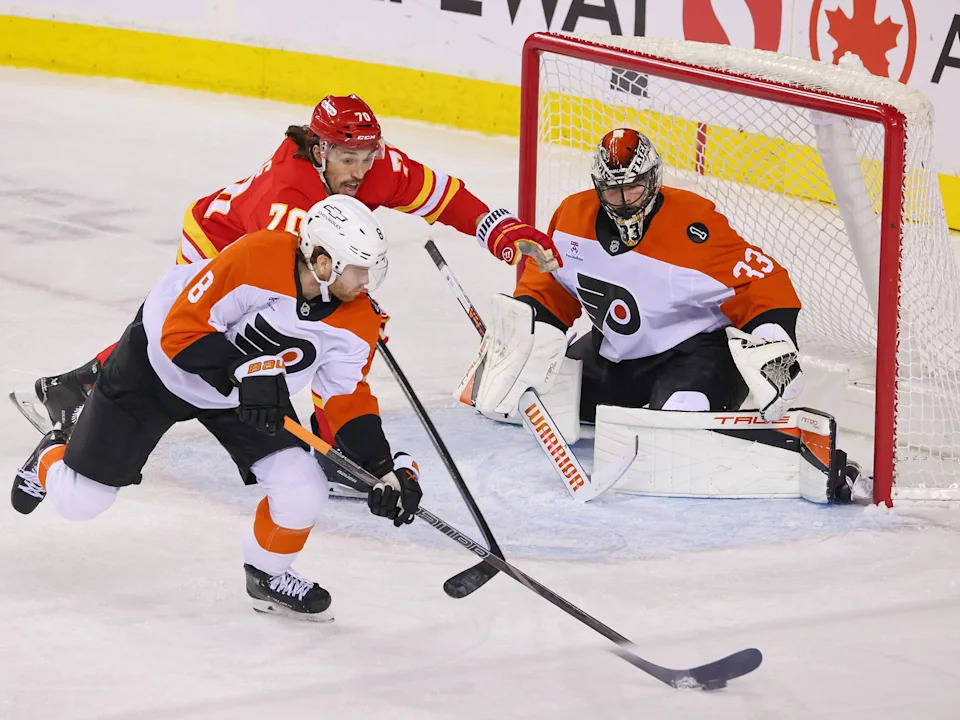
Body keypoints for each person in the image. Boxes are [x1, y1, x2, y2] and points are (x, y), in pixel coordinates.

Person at [22, 93, 561, 437]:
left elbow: (445, 196)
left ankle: (74, 387)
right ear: (320, 151)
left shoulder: (375, 165)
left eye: (367, 157)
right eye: (348, 159)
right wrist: (361, 313)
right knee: (190, 329)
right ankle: (84, 388)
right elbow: (296, 284)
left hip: (278, 247)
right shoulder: (289, 201)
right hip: (220, 241)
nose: (360, 171)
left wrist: (501, 231)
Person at [11, 196, 424, 621]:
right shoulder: (259, 257)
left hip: (242, 393)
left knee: (303, 488)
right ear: (322, 262)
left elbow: (346, 398)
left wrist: (383, 468)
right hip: (156, 368)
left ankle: (267, 574)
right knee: (80, 501)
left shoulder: (357, 319)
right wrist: (244, 373)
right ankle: (50, 456)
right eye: (358, 268)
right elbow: (180, 333)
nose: (366, 280)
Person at [464, 126, 804, 428]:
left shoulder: (692, 224)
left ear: (653, 179)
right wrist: (526, 332)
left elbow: (761, 279)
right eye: (613, 191)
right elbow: (551, 288)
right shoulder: (572, 219)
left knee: (679, 419)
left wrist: (775, 348)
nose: (625, 201)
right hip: (616, 355)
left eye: (634, 187)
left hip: (697, 354)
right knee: (537, 398)